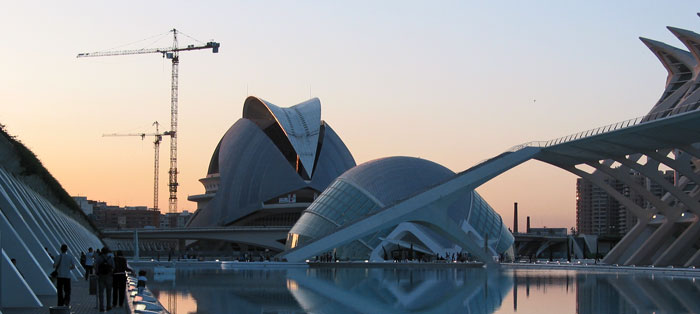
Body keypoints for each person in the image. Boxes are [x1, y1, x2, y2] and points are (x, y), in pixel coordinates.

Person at [95, 247, 115, 312]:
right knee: (109, 292)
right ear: (107, 252)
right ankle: (108, 306)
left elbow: (96, 266)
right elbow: (113, 267)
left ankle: (101, 307)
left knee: (101, 292)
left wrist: (97, 273)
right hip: (109, 276)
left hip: (101, 276)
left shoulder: (99, 258)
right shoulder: (110, 258)